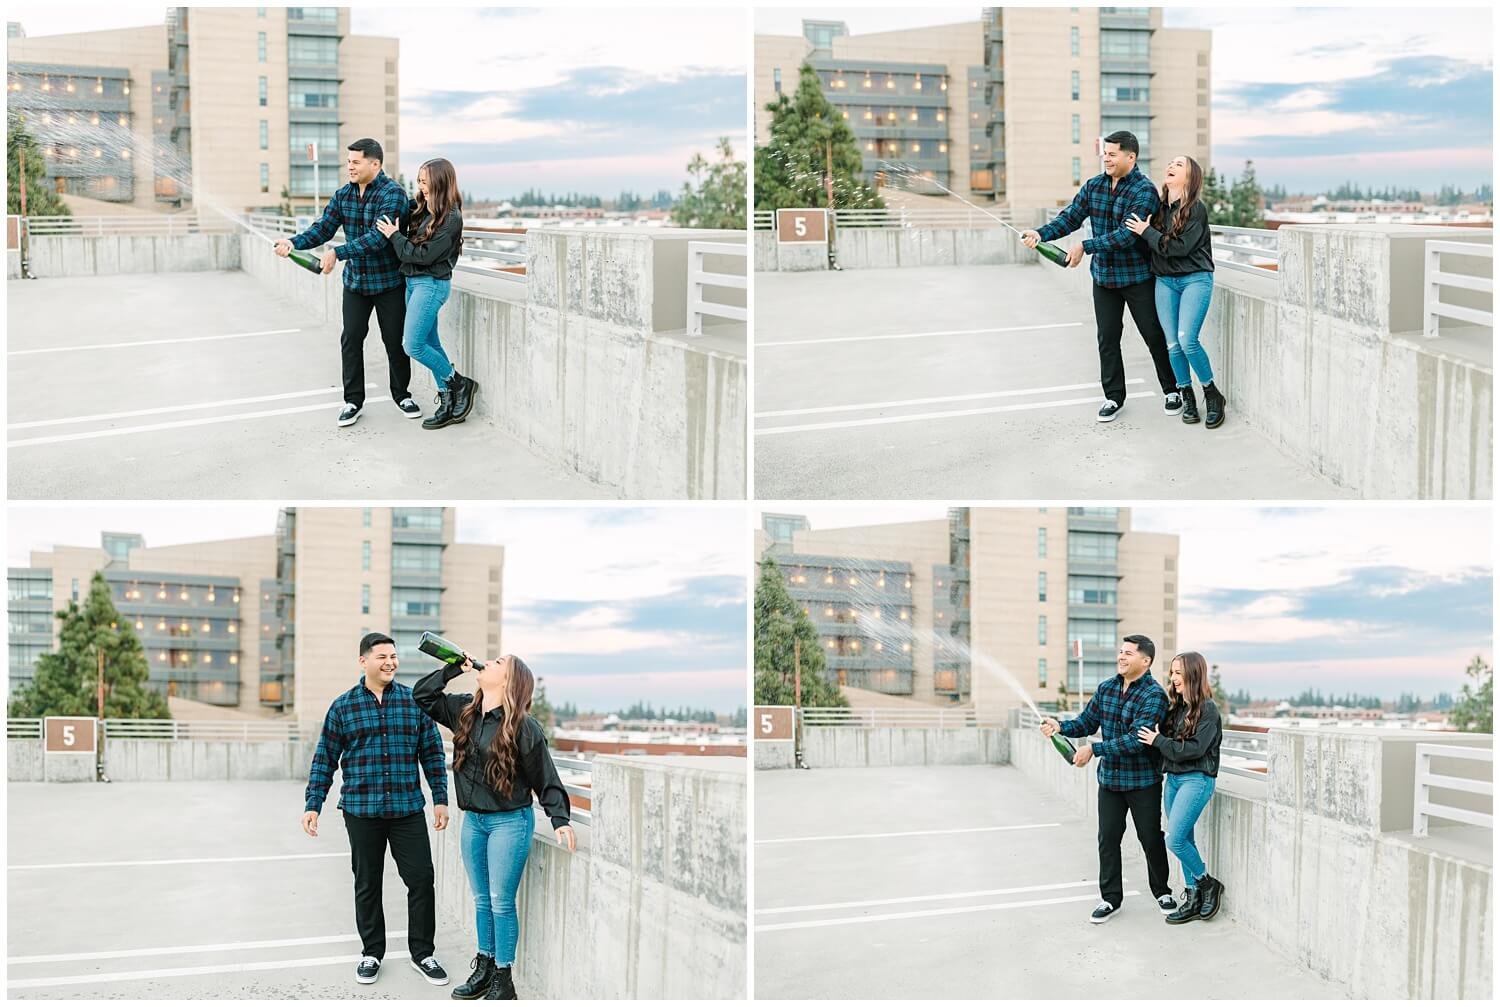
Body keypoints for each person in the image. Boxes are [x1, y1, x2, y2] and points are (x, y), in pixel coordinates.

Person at [414, 653, 576, 1000]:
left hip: (509, 822)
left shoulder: (523, 726)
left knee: (501, 902)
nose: (489, 663)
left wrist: (559, 819)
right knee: (482, 900)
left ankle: (504, 979)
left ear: (508, 680)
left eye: (498, 662)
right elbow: (423, 696)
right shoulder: (464, 711)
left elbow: (545, 776)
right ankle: (484, 968)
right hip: (473, 821)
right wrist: (453, 667)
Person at [302, 633, 450, 988]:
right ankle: (371, 952)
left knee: (420, 880)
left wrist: (440, 798)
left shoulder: (414, 702)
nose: (390, 662)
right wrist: (313, 804)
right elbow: (325, 758)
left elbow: (432, 753)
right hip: (361, 809)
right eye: (382, 656)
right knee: (367, 883)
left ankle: (423, 954)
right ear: (363, 661)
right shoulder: (343, 707)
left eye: (394, 656)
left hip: (407, 809)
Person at [1019, 131, 1180, 423]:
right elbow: (1070, 217)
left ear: (1130, 157)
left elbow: (1127, 236)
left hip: (1138, 277)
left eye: (1112, 153)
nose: (1106, 157)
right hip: (1104, 278)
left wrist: (1085, 245)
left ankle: (1172, 390)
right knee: (1107, 338)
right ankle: (1113, 397)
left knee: (1153, 336)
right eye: (1105, 153)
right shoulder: (1094, 186)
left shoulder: (1144, 191)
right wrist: (1040, 233)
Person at [275, 138, 421, 428]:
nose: (350, 167)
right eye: (349, 161)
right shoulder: (343, 195)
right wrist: (293, 242)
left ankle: (402, 395)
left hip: (389, 282)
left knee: (394, 342)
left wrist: (338, 253)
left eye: (356, 162)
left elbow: (379, 238)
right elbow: (322, 229)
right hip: (356, 283)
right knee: (351, 340)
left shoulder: (394, 195)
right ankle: (353, 401)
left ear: (375, 164)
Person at [1040, 634, 1175, 923]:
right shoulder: (1107, 688)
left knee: (1150, 838)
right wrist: (1060, 726)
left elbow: (1138, 740)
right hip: (1111, 782)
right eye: (1121, 652)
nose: (1121, 657)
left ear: (1145, 660)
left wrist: (1095, 749)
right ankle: (1110, 899)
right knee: (1108, 840)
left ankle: (1162, 892)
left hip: (1143, 782)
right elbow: (1086, 722)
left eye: (1128, 653)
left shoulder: (1154, 695)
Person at [373, 157, 479, 431]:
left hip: (431, 285)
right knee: (432, 344)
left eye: (424, 181)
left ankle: (459, 383)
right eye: (419, 180)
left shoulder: (451, 217)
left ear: (439, 182)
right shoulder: (422, 208)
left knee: (413, 346)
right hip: (413, 283)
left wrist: (395, 236)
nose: (420, 186)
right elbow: (394, 200)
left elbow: (423, 255)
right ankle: (447, 402)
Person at [1124, 155, 1226, 428]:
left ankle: (1212, 394)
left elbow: (1178, 248)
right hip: (1165, 282)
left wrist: (1146, 232)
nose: (1171, 166)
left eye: (1179, 165)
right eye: (1170, 163)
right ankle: (1187, 395)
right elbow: (1152, 246)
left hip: (1195, 279)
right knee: (1172, 344)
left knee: (1187, 339)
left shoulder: (1196, 209)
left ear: (1190, 178)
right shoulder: (1157, 209)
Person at [1137, 651, 1225, 924]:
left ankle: (1207, 882)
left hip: (1197, 780)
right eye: (1172, 672)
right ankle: (1193, 896)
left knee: (1173, 839)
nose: (1174, 678)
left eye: (1178, 672)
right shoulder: (1176, 709)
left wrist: (1159, 741)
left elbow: (1194, 749)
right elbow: (1159, 738)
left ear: (1193, 674)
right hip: (1173, 780)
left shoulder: (1208, 709)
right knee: (1185, 839)